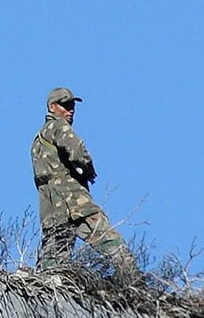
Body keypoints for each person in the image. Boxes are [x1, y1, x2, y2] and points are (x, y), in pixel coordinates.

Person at [30, 87, 137, 272]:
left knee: (54, 257)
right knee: (108, 240)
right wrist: (88, 171)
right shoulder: (58, 126)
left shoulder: (37, 142)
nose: (70, 109)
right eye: (65, 105)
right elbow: (77, 151)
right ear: (52, 107)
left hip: (50, 207)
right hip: (73, 200)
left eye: (72, 105)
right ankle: (131, 279)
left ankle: (51, 292)